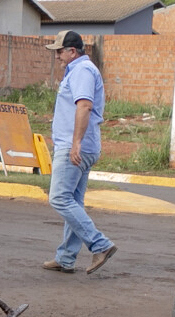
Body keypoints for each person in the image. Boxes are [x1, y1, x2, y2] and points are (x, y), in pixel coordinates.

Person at [41, 30, 118, 274]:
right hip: (82, 146)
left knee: (59, 198)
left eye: (59, 52)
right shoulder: (78, 71)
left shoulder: (82, 71)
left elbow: (84, 106)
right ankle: (66, 258)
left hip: (75, 148)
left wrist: (75, 143)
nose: (57, 57)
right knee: (73, 201)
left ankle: (100, 245)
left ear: (72, 51)